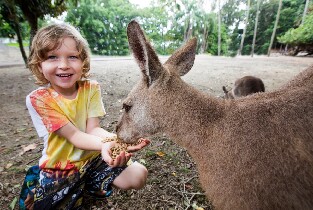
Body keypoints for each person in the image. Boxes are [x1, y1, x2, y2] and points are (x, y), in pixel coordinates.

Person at [19, 22, 150, 210]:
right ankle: (40, 186)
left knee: (139, 175)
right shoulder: (39, 99)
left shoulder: (91, 88)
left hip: (92, 159)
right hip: (60, 170)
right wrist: (107, 145)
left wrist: (120, 143)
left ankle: (88, 185)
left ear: (83, 62)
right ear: (40, 65)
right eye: (52, 57)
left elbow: (93, 129)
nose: (63, 65)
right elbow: (74, 136)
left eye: (72, 57)